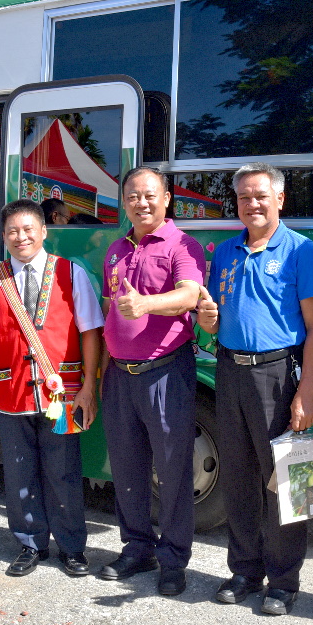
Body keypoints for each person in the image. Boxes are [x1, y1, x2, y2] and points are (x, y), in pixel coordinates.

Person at [197, 162, 313, 615]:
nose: (252, 204)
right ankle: (245, 570)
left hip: (280, 374)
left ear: (280, 200)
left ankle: (285, 581)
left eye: (260, 196)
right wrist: (209, 320)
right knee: (239, 479)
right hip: (229, 371)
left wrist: (307, 392)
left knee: (291, 481)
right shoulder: (228, 252)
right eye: (243, 198)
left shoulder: (302, 251)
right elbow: (216, 312)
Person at [0, 199, 102, 577]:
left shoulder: (70, 273)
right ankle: (29, 543)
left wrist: (90, 386)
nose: (20, 237)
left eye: (27, 230)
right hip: (13, 394)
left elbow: (91, 332)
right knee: (19, 474)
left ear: (43, 232)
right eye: (11, 232)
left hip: (63, 394)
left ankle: (72, 548)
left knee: (64, 472)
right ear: (3, 237)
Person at [98, 166, 205, 597]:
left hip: (166, 373)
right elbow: (111, 308)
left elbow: (190, 295)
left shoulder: (183, 245)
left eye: (148, 196)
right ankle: (136, 547)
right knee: (127, 468)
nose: (140, 203)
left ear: (166, 200)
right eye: (132, 197)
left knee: (173, 470)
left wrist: (146, 304)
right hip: (119, 376)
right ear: (124, 202)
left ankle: (174, 558)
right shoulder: (115, 250)